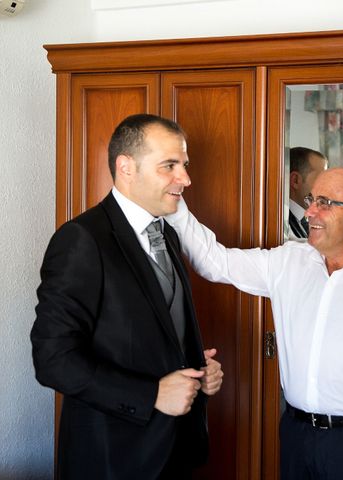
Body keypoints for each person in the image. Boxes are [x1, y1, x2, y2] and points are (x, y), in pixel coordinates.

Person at [167, 167, 343, 480]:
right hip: (296, 436)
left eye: (324, 202)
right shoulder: (287, 263)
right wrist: (173, 196)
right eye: (311, 199)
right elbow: (214, 261)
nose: (309, 212)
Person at [31, 114, 223, 480]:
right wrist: (150, 395)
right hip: (112, 459)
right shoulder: (81, 240)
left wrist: (199, 370)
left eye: (184, 165)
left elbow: (154, 332)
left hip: (174, 451)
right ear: (126, 167)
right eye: (170, 165)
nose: (185, 179)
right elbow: (52, 359)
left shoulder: (166, 234)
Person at [288, 146, 328, 239]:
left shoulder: (307, 219)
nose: (327, 186)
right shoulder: (279, 223)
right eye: (321, 178)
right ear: (295, 180)